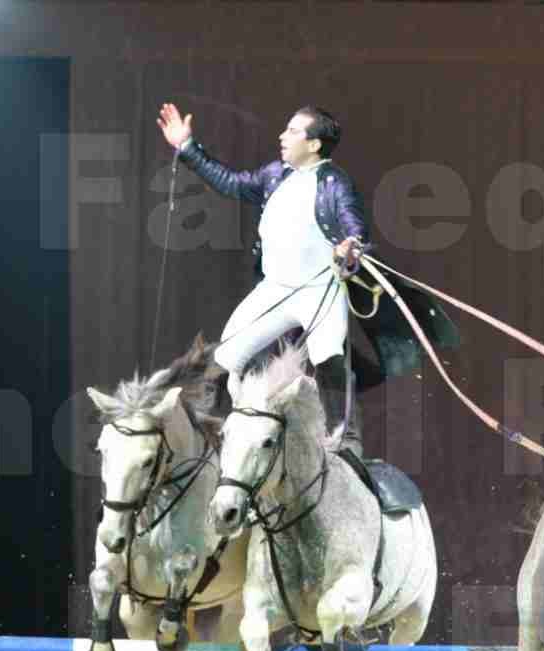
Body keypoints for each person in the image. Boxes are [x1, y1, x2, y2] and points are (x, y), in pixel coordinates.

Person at [156, 101, 459, 460]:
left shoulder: (334, 183)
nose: (282, 136)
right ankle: (209, 438)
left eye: (293, 131)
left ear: (314, 145)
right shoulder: (275, 175)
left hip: (320, 290)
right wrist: (187, 147)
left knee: (329, 353)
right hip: (276, 290)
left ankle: (345, 440)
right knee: (225, 357)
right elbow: (232, 183)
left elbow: (353, 228)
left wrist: (350, 248)